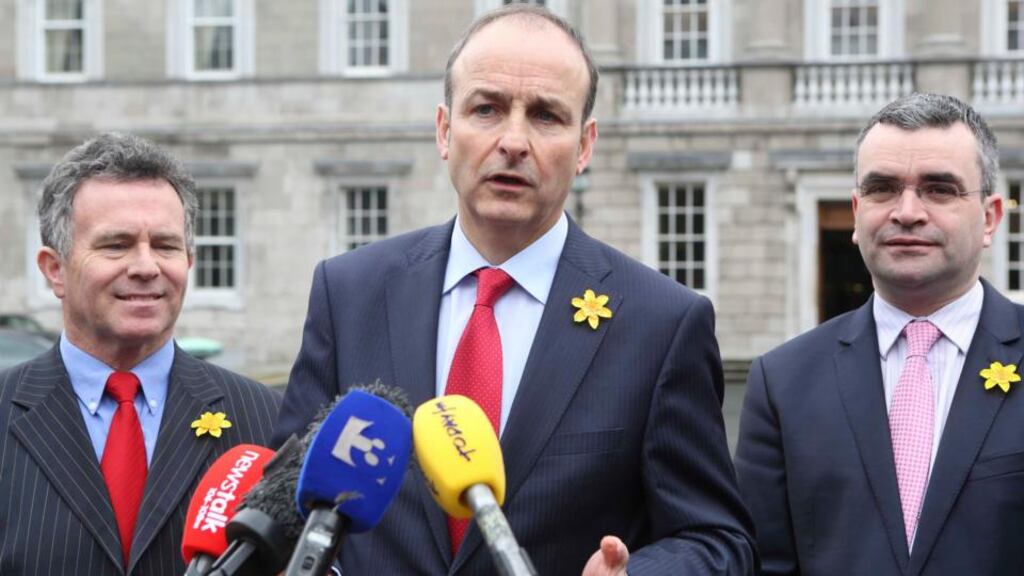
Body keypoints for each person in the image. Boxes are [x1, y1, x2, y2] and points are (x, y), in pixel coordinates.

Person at [274, 5, 755, 575]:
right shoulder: (348, 292)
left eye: (547, 116)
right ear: (445, 130)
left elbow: (717, 539)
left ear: (584, 146)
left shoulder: (662, 323)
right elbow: (284, 502)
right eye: (487, 109)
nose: (513, 141)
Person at [735, 92, 1022, 575]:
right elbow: (762, 562)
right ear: (856, 211)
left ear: (991, 217)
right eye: (883, 188)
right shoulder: (782, 382)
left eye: (939, 189)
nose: (907, 211)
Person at [0, 133, 281, 575]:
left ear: (189, 261)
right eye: (116, 245)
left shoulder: (265, 420)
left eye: (166, 246)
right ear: (55, 270)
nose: (147, 267)